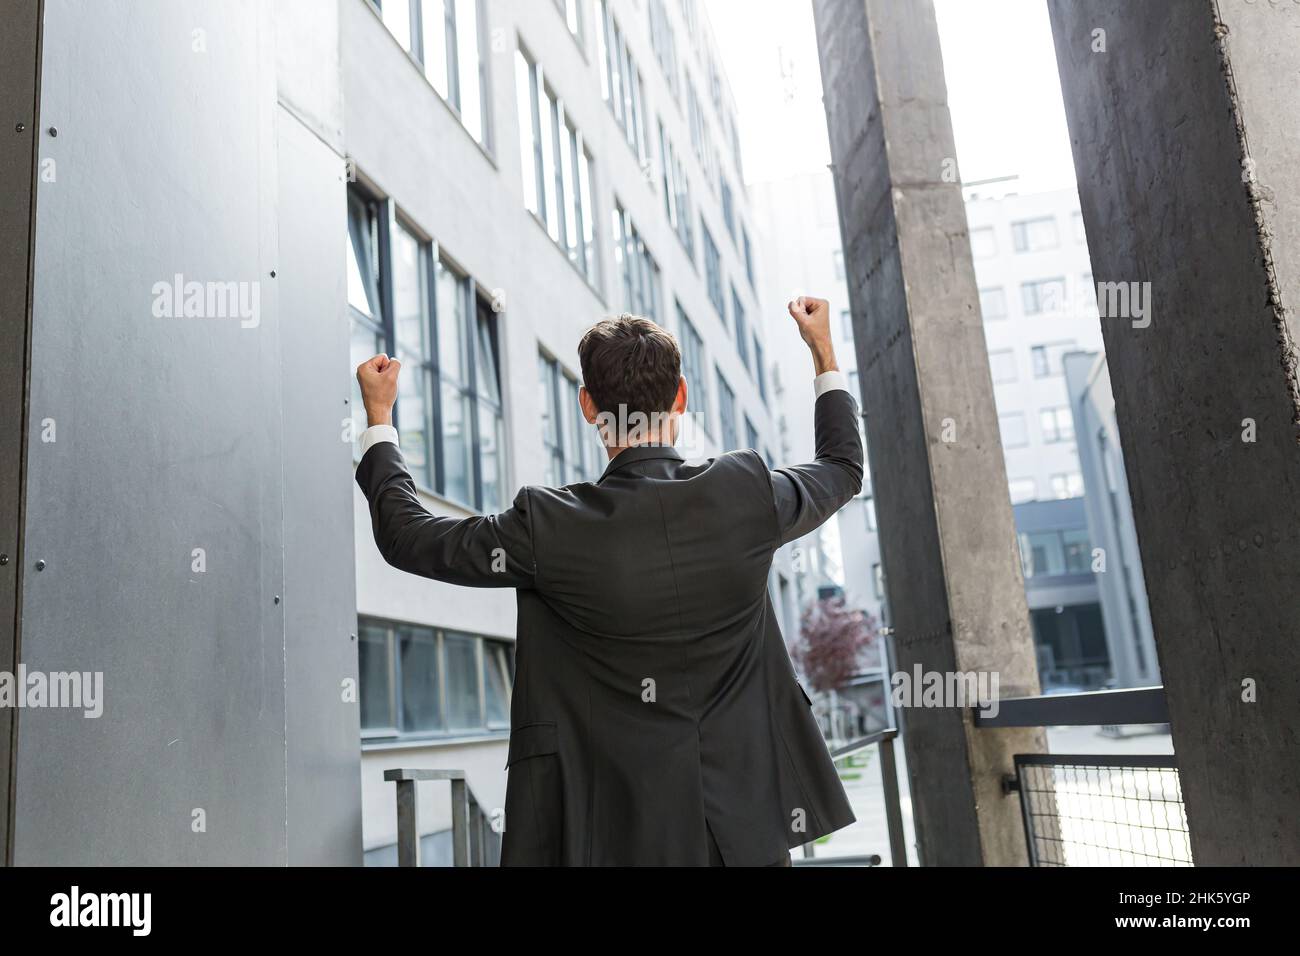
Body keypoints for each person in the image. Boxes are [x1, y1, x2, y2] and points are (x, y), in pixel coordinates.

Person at [354, 296, 863, 866]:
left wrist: (380, 420)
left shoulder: (549, 527)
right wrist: (821, 351)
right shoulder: (747, 494)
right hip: (742, 835)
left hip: (613, 836)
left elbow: (408, 537)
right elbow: (842, 466)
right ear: (682, 398)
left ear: (588, 406)